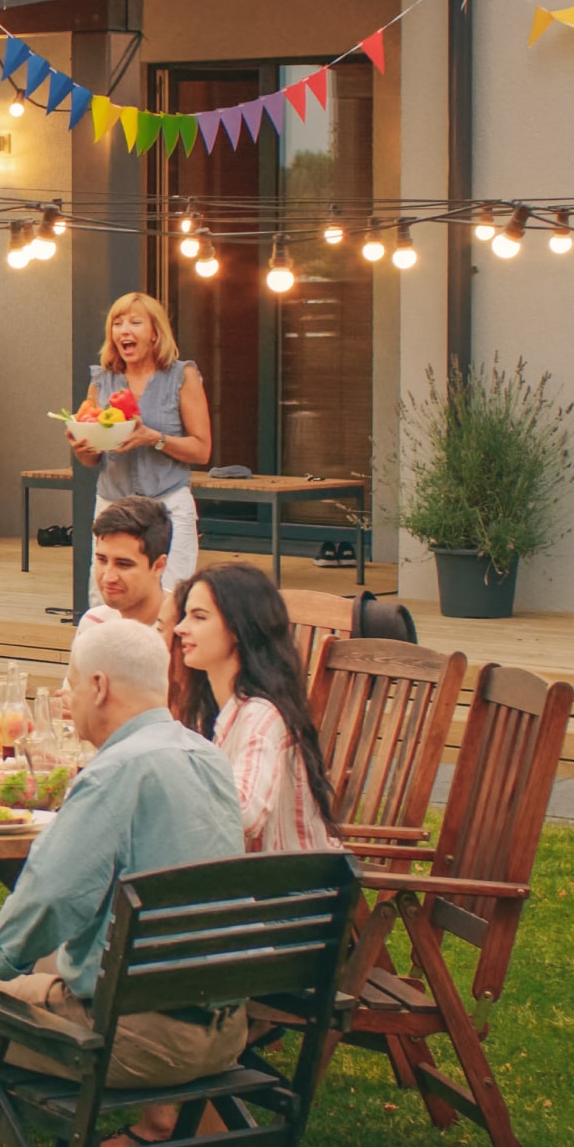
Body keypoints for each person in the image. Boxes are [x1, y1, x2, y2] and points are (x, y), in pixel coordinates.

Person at [0, 619, 248, 1147]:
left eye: (68, 681)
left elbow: (53, 896)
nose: (65, 696)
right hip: (223, 1024)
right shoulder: (207, 757)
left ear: (99, 685)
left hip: (136, 1038)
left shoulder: (115, 771)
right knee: (50, 960)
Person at [173, 563, 341, 854]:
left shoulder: (261, 716)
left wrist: (166, 789)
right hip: (249, 881)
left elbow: (243, 813)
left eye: (199, 617)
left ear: (239, 629)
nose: (180, 628)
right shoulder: (215, 710)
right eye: (185, 616)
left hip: (295, 890)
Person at [65, 292, 212, 606]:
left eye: (134, 322)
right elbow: (91, 459)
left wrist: (153, 438)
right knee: (106, 603)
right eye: (117, 323)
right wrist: (81, 444)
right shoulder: (102, 380)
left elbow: (202, 450)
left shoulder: (181, 376)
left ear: (155, 332)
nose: (124, 330)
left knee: (171, 603)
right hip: (112, 507)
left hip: (167, 506)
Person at [78, 495, 173, 636]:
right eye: (102, 560)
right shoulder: (93, 623)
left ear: (158, 566)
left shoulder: (187, 635)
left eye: (123, 564)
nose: (108, 578)